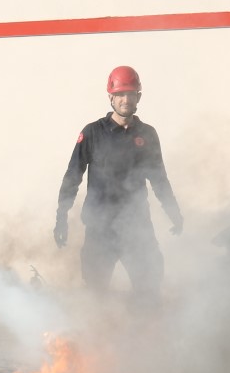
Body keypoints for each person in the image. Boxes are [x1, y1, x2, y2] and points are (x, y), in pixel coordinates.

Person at [54, 65, 183, 297]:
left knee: (149, 289)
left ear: (138, 97)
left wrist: (173, 212)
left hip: (137, 229)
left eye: (130, 94)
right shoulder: (92, 133)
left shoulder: (147, 134)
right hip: (100, 229)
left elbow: (159, 179)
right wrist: (61, 217)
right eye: (121, 94)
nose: (126, 99)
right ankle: (100, 332)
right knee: (96, 293)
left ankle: (145, 331)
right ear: (110, 97)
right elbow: (73, 176)